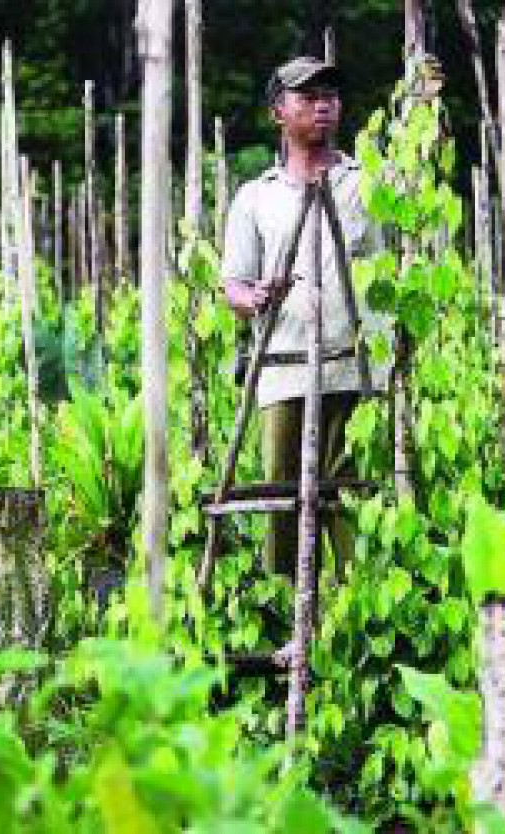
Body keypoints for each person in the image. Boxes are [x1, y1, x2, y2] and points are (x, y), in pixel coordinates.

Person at [220, 55, 388, 587]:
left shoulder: (366, 185)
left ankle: (352, 612)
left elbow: (395, 259)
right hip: (284, 370)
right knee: (282, 495)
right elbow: (233, 286)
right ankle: (281, 606)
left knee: (353, 496)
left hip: (355, 369)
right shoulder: (256, 197)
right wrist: (256, 298)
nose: (323, 104)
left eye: (331, 95)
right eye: (308, 96)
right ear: (278, 112)